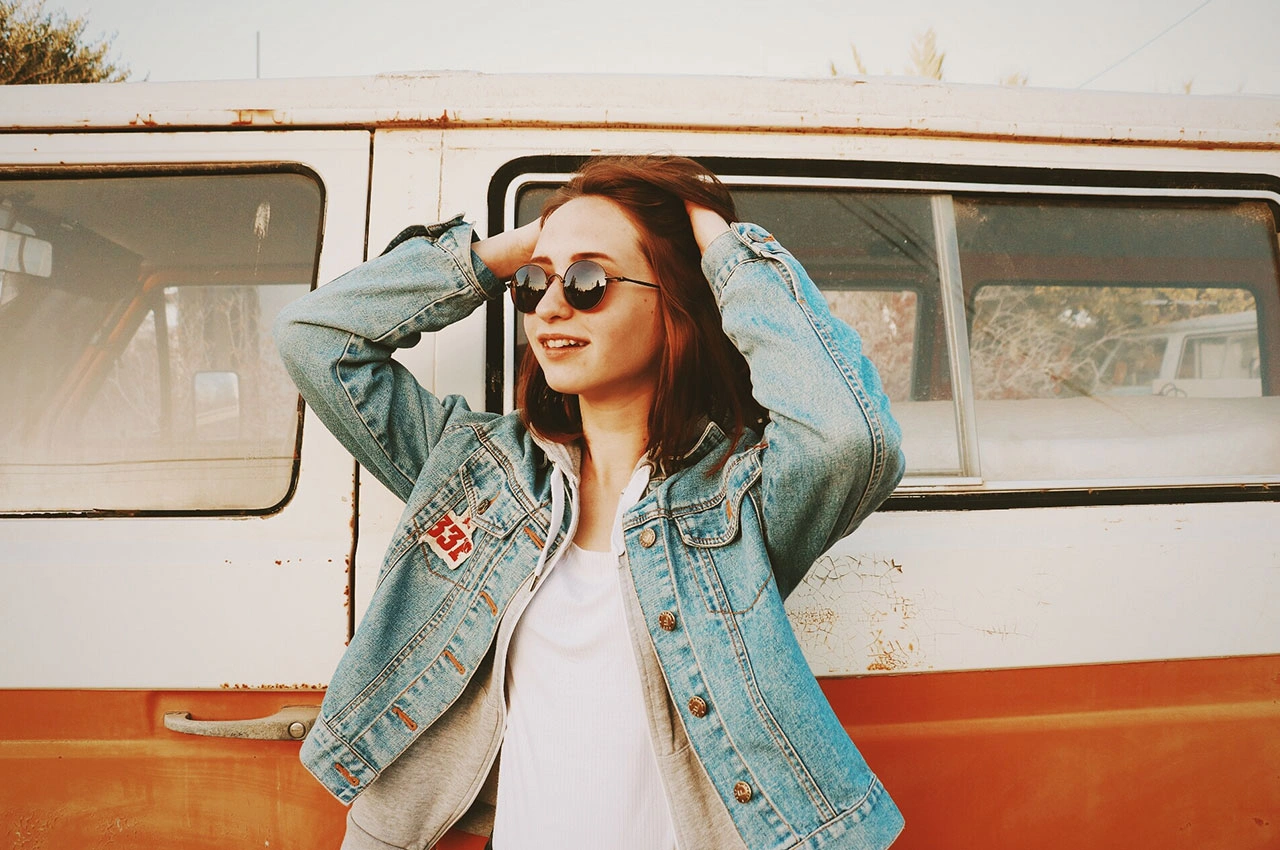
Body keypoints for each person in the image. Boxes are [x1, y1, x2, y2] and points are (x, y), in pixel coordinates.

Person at [274, 155, 906, 850]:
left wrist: (725, 251)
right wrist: (513, 247)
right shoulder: (479, 472)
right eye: (534, 283)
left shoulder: (737, 500)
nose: (549, 306)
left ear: (675, 302)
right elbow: (317, 338)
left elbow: (849, 436)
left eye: (586, 281)